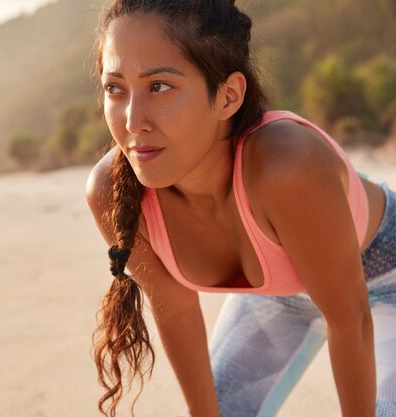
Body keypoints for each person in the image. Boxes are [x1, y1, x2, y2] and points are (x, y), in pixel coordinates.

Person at [84, 1, 396, 416]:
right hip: (278, 299)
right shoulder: (113, 191)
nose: (133, 120)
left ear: (228, 96)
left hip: (386, 274)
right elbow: (176, 311)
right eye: (115, 88)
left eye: (159, 86)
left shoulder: (286, 167)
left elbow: (351, 319)